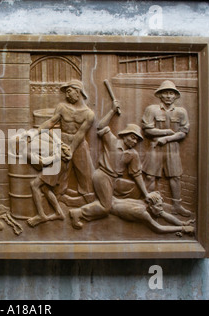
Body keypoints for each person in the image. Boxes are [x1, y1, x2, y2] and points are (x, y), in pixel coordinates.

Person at [69, 99, 150, 229]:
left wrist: (146, 194)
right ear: (125, 136)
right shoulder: (112, 141)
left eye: (137, 139)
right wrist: (112, 111)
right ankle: (78, 213)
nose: (134, 141)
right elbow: (100, 126)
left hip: (115, 180)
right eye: (132, 137)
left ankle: (125, 208)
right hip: (102, 176)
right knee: (105, 207)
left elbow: (137, 174)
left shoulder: (133, 154)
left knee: (134, 190)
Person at [34, 80, 95, 206]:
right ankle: (60, 200)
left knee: (85, 175)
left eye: (69, 91)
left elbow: (81, 133)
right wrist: (36, 133)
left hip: (79, 145)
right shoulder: (62, 107)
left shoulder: (89, 114)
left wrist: (71, 150)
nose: (66, 95)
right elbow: (51, 122)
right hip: (62, 142)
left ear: (77, 91)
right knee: (61, 173)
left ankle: (87, 203)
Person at [141, 80, 192, 217]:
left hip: (172, 148)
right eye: (165, 93)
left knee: (175, 177)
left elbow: (183, 132)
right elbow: (147, 130)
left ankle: (177, 206)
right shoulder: (152, 109)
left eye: (171, 93)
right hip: (155, 147)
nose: (169, 96)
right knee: (151, 177)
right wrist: (166, 132)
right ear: (160, 95)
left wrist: (167, 138)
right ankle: (146, 204)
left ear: (175, 96)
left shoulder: (181, 112)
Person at [110, 191, 195, 235]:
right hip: (108, 207)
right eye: (159, 206)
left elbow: (162, 213)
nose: (161, 209)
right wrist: (182, 229)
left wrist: (182, 223)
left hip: (112, 200)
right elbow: (158, 228)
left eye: (161, 206)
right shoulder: (142, 212)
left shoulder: (146, 203)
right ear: (151, 206)